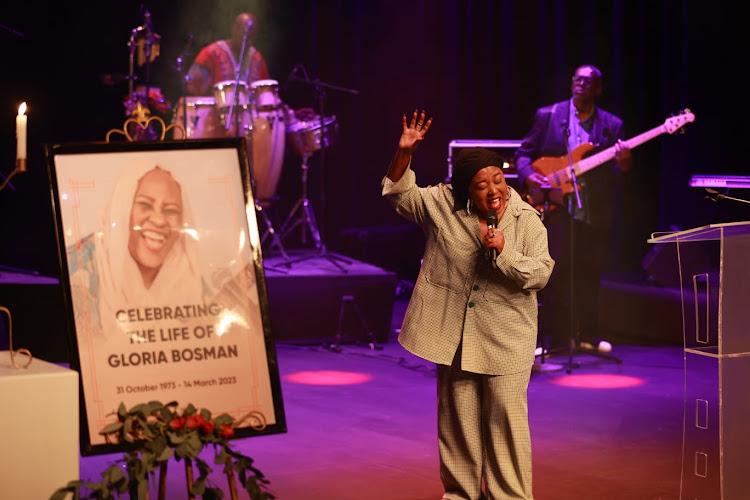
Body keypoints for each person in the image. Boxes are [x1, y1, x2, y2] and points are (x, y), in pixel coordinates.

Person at [382, 110, 554, 500]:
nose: (494, 189)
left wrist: (506, 253)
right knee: (458, 428)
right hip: (455, 338)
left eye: (498, 179)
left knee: (507, 428)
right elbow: (399, 195)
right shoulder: (443, 205)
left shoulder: (526, 220)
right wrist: (403, 152)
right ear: (465, 190)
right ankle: (460, 496)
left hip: (507, 340)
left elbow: (541, 273)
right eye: (481, 185)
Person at [514, 64, 632, 354]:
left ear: (598, 88)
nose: (582, 84)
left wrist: (624, 162)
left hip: (593, 210)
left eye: (588, 81)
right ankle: (551, 338)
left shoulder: (611, 125)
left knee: (590, 273)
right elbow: (523, 154)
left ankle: (588, 336)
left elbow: (619, 175)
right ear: (571, 84)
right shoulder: (549, 115)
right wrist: (530, 176)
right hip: (556, 208)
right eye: (578, 79)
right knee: (554, 272)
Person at [185, 12, 270, 97]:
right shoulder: (210, 54)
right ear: (233, 29)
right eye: (244, 36)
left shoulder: (258, 59)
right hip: (215, 109)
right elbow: (192, 88)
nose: (248, 41)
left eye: (252, 37)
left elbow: (265, 96)